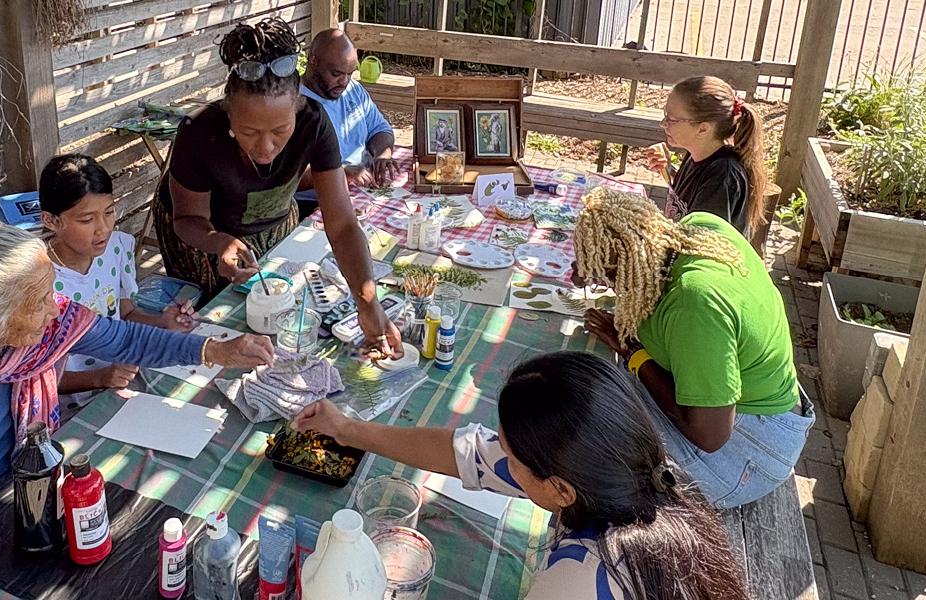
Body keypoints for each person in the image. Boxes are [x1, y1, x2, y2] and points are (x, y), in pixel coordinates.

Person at [0, 225, 276, 599]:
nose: (55, 308)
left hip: (22, 505)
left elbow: (126, 340)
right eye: (39, 300)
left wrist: (216, 348)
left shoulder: (33, 329)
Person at [291, 352, 753, 600]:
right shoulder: (626, 475)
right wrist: (346, 429)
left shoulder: (582, 577)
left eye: (512, 455)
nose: (498, 456)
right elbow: (461, 454)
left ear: (559, 490)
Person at [151, 17, 402, 358]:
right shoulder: (199, 131)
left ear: (298, 110)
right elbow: (188, 219)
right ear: (229, 115)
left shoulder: (314, 123)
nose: (266, 148)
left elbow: (342, 224)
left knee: (271, 311)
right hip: (199, 234)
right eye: (249, 132)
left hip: (271, 220)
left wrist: (368, 303)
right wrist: (219, 241)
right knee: (212, 321)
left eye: (280, 130)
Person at [573, 188, 812, 509]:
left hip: (753, 449)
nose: (614, 290)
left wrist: (633, 352)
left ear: (629, 268)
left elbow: (709, 436)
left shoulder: (693, 305)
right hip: (758, 407)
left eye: (612, 279)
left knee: (594, 436)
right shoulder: (699, 227)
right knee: (601, 388)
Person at [36, 154, 196, 399]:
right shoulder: (39, 283)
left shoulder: (116, 249)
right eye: (87, 219)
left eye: (109, 212)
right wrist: (100, 377)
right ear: (51, 221)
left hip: (119, 385)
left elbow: (126, 315)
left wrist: (163, 323)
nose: (103, 228)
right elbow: (34, 375)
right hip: (70, 408)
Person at [640, 76, 770, 236]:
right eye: (666, 114)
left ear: (703, 129)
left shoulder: (723, 177)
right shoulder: (697, 154)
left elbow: (702, 244)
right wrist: (669, 171)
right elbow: (687, 202)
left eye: (671, 119)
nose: (663, 123)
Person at [297, 28, 397, 210]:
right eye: (336, 74)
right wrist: (341, 173)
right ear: (313, 62)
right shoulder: (293, 106)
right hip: (314, 203)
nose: (344, 82)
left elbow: (380, 129)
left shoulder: (353, 90)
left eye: (350, 73)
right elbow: (286, 177)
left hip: (361, 193)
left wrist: (381, 155)